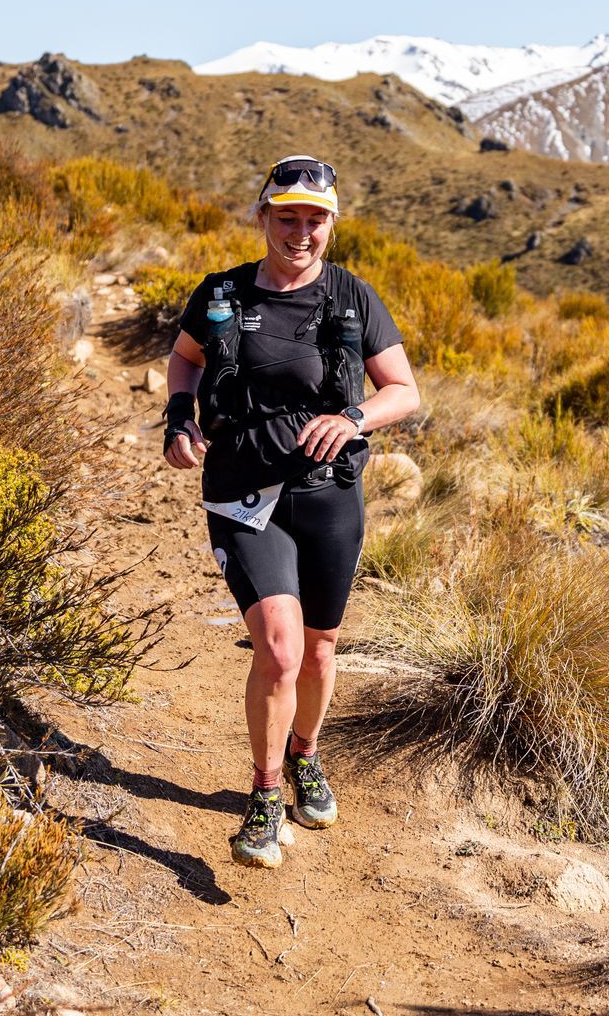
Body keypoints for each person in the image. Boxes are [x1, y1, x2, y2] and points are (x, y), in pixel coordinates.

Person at [162, 154, 420, 869]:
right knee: (279, 648)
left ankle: (306, 754)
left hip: (330, 495)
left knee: (319, 649)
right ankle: (265, 796)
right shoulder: (222, 293)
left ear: (331, 224)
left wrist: (357, 418)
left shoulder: (351, 297)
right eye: (287, 218)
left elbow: (404, 389)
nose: (299, 233)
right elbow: (184, 359)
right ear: (262, 217)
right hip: (245, 495)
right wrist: (179, 416)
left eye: (314, 220)